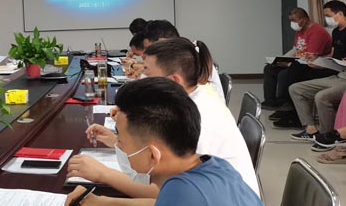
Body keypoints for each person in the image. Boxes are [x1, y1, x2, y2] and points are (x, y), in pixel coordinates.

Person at [64, 78, 305, 206]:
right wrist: (102, 203)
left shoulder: (185, 198)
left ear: (152, 155)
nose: (119, 146)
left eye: (122, 141)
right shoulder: (214, 167)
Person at [68, 38, 259, 197]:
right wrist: (119, 142)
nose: (141, 78)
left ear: (174, 80)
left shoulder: (198, 119)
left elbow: (162, 197)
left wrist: (103, 174)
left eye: (147, 73)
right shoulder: (191, 98)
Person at [287, 4, 346, 140]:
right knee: (296, 89)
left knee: (322, 97)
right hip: (342, 74)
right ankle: (311, 129)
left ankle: (328, 136)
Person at [273, 0, 346, 130]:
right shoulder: (336, 31)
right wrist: (318, 59)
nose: (326, 19)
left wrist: (327, 62)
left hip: (342, 72)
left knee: (297, 73)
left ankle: (294, 114)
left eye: (328, 15)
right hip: (333, 67)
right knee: (293, 79)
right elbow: (333, 54)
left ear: (340, 13)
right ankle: (304, 123)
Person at [262, 7, 332, 115]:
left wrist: (288, 64)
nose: (292, 23)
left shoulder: (317, 32)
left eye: (294, 20)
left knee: (284, 74)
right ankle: (271, 102)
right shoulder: (300, 30)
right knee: (270, 68)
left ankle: (285, 104)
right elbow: (296, 49)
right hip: (297, 63)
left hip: (311, 65)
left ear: (303, 19)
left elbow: (310, 57)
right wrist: (281, 59)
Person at [142, 19, 224, 102]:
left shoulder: (188, 61)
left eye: (149, 48)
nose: (144, 54)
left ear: (163, 42)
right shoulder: (185, 55)